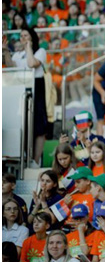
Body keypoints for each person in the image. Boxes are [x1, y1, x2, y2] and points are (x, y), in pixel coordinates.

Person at [2, 27, 48, 165]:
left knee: (39, 124)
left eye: (26, 35)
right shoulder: (18, 54)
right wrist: (6, 51)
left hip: (36, 87)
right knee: (23, 123)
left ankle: (36, 160)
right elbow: (11, 67)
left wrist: (28, 48)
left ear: (32, 37)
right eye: (21, 36)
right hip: (21, 88)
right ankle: (24, 156)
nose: (23, 38)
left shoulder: (40, 51)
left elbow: (32, 64)